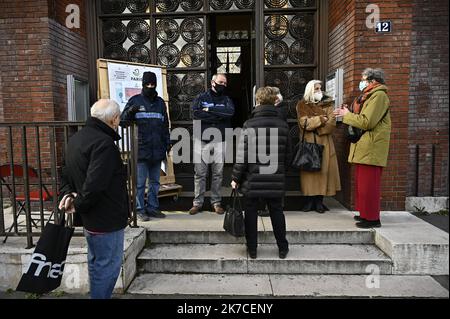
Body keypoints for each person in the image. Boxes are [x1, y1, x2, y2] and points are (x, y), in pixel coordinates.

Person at [59, 99, 129, 299]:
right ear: (114, 119)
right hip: (106, 218)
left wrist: (69, 196)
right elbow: (95, 185)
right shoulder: (104, 144)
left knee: (97, 263)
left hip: (92, 218)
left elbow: (64, 174)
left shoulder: (77, 138)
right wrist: (77, 204)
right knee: (106, 267)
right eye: (119, 118)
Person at [231, 87, 290, 259]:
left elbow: (242, 156)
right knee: (277, 212)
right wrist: (280, 171)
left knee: (250, 213)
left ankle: (253, 249)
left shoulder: (249, 125)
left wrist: (235, 177)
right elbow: (288, 155)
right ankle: (282, 248)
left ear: (258, 101)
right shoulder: (283, 125)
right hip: (275, 177)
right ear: (274, 101)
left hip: (252, 179)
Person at [334, 68, 391, 228]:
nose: (362, 82)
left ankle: (373, 219)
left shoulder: (379, 96)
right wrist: (347, 112)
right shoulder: (368, 96)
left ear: (373, 81)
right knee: (363, 185)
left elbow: (367, 122)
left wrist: (347, 115)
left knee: (370, 185)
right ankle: (365, 214)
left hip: (371, 146)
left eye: (364, 79)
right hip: (364, 145)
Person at [120, 71, 171, 221]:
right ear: (142, 84)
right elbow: (123, 122)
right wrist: (130, 112)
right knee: (140, 184)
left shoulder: (160, 103)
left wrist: (167, 144)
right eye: (147, 84)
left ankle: (153, 208)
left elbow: (165, 126)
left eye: (152, 84)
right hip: (141, 150)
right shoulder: (135, 101)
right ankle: (139, 210)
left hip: (157, 150)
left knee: (155, 183)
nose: (150, 87)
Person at [189, 74, 235, 215]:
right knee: (200, 174)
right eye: (220, 82)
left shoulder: (227, 99)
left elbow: (230, 113)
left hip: (220, 141)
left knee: (218, 174)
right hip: (201, 140)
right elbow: (195, 113)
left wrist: (209, 110)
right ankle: (197, 203)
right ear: (212, 82)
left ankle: (216, 202)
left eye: (225, 83)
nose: (223, 85)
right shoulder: (201, 98)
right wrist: (218, 115)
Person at [296, 80, 341, 213]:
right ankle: (309, 202)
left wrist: (318, 128)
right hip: (309, 143)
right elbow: (304, 124)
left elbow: (331, 124)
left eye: (320, 88)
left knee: (323, 172)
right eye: (316, 88)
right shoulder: (302, 105)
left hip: (324, 142)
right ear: (310, 90)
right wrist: (321, 119)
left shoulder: (328, 104)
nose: (319, 91)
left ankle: (319, 202)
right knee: (309, 173)